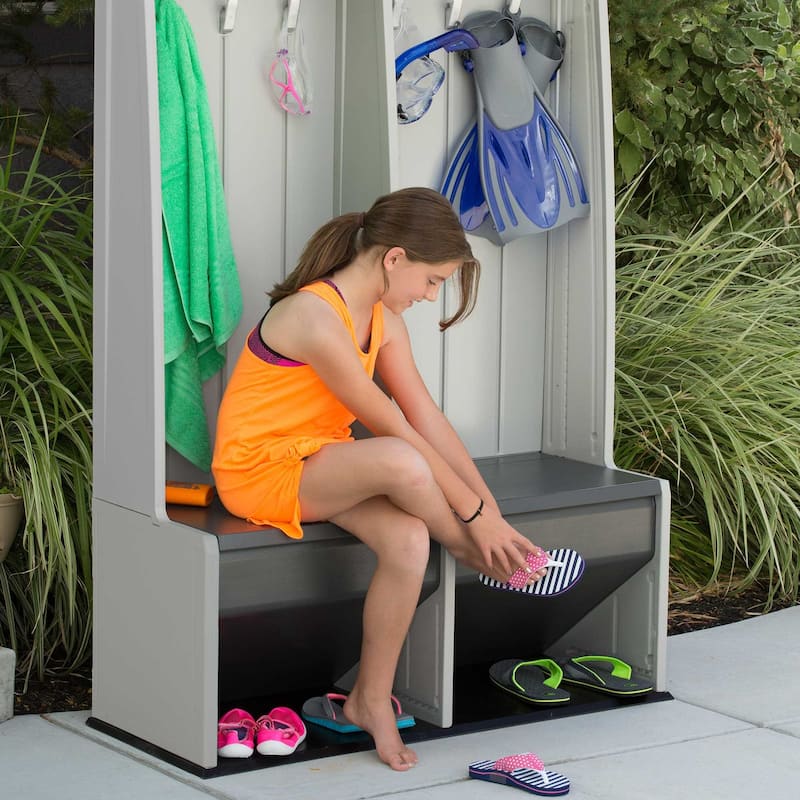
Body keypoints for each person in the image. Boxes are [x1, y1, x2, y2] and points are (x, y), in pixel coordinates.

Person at [212, 187, 547, 771]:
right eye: (432, 280)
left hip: (320, 462)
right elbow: (394, 428)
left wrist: (491, 512)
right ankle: (470, 552)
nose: (430, 295)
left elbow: (426, 417)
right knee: (399, 459)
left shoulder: (383, 318)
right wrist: (472, 524)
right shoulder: (314, 315)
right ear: (394, 258)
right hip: (258, 470)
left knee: (409, 538)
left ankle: (369, 698)